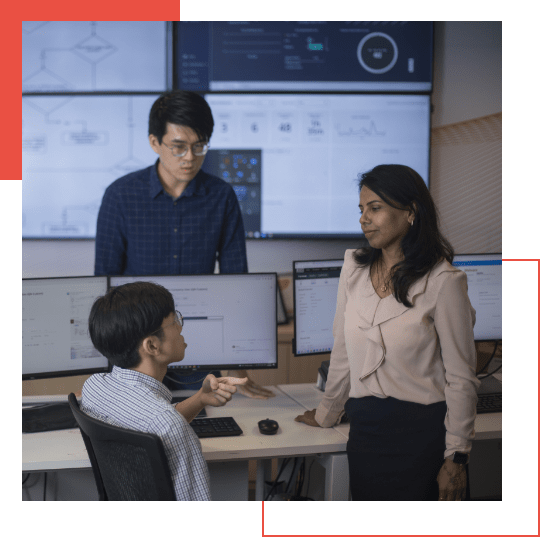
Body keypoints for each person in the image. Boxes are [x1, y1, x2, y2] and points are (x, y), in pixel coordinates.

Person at [295, 164, 480, 501]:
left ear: (410, 212)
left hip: (423, 436)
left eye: (375, 208)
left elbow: (461, 378)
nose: (364, 219)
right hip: (366, 432)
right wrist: (327, 413)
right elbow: (343, 352)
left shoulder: (444, 281)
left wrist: (456, 456)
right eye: (361, 209)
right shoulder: (354, 267)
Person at [94, 90, 274, 399]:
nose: (190, 157)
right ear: (155, 142)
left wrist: (237, 363)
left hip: (200, 347)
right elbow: (106, 287)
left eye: (199, 146)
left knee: (212, 430)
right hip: (137, 355)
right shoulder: (120, 196)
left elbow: (236, 284)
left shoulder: (221, 196)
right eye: (178, 147)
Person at [81, 281, 248, 501]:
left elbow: (154, 427)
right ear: (152, 346)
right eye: (174, 321)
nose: (180, 327)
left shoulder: (93, 386)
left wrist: (200, 398)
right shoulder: (170, 425)